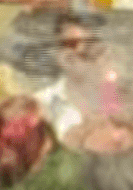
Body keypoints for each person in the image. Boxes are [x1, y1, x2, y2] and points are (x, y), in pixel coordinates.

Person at [35, 11, 105, 140]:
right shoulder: (40, 104)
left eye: (89, 44)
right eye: (70, 44)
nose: (79, 51)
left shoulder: (122, 103)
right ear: (58, 54)